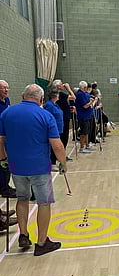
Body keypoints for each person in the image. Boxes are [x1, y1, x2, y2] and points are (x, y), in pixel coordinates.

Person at [0, 84, 66, 255]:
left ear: (23, 95)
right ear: (41, 99)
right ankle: (42, 242)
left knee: (22, 199)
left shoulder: (7, 113)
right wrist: (63, 162)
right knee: (44, 203)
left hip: (16, 166)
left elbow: (0, 139)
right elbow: (57, 145)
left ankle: (23, 235)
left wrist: (3, 158)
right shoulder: (45, 115)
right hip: (40, 167)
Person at [0, 80, 16, 198]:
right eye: (3, 88)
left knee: (7, 162)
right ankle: (3, 188)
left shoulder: (7, 101)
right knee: (2, 162)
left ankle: (5, 185)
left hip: (7, 136)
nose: (6, 90)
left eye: (7, 88)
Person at [44, 85, 64, 171]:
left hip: (58, 128)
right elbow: (48, 117)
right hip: (53, 129)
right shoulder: (49, 105)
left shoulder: (55, 105)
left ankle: (54, 161)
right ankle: (52, 163)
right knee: (53, 147)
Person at [54, 79, 75, 160]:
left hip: (64, 115)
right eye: (61, 84)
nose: (63, 85)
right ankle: (61, 155)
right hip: (64, 118)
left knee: (63, 137)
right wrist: (68, 88)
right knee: (64, 137)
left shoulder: (57, 95)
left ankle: (61, 155)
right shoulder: (61, 94)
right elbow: (73, 97)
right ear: (58, 86)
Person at [75, 80, 96, 153]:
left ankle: (87, 145)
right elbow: (85, 106)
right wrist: (91, 102)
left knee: (87, 132)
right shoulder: (80, 94)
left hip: (87, 115)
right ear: (84, 87)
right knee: (83, 132)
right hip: (83, 116)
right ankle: (81, 147)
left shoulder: (85, 93)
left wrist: (91, 100)